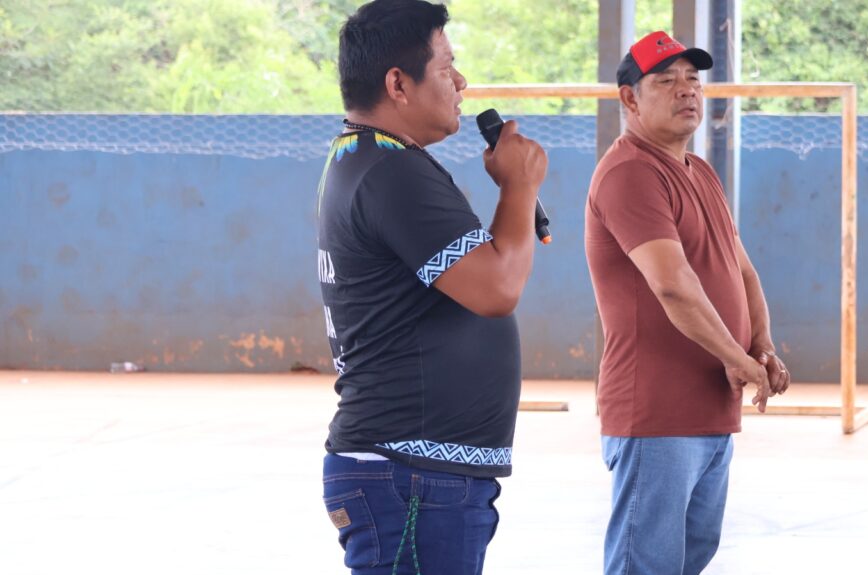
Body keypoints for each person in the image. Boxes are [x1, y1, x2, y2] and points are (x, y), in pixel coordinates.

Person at [315, 1, 547, 573]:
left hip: (416, 474)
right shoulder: (390, 171)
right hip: (410, 477)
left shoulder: (372, 159)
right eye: (446, 67)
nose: (461, 81)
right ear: (398, 83)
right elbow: (496, 287)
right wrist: (519, 188)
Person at [584, 31, 791, 575]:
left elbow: (740, 267)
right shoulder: (632, 172)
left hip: (709, 411)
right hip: (656, 413)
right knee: (645, 564)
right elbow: (672, 285)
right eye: (666, 81)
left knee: (689, 556)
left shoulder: (700, 172)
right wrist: (739, 360)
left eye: (693, 80)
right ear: (629, 98)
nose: (687, 92)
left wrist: (761, 343)